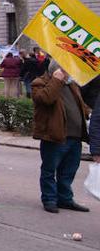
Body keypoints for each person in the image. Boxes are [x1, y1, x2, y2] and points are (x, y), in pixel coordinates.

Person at [31, 61, 91, 213]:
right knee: (49, 170)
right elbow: (46, 99)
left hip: (74, 137)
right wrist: (56, 80)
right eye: (66, 70)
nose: (70, 73)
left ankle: (65, 198)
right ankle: (49, 199)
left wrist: (86, 112)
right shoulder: (40, 83)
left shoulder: (71, 85)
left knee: (69, 171)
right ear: (56, 71)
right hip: (54, 136)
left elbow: (80, 104)